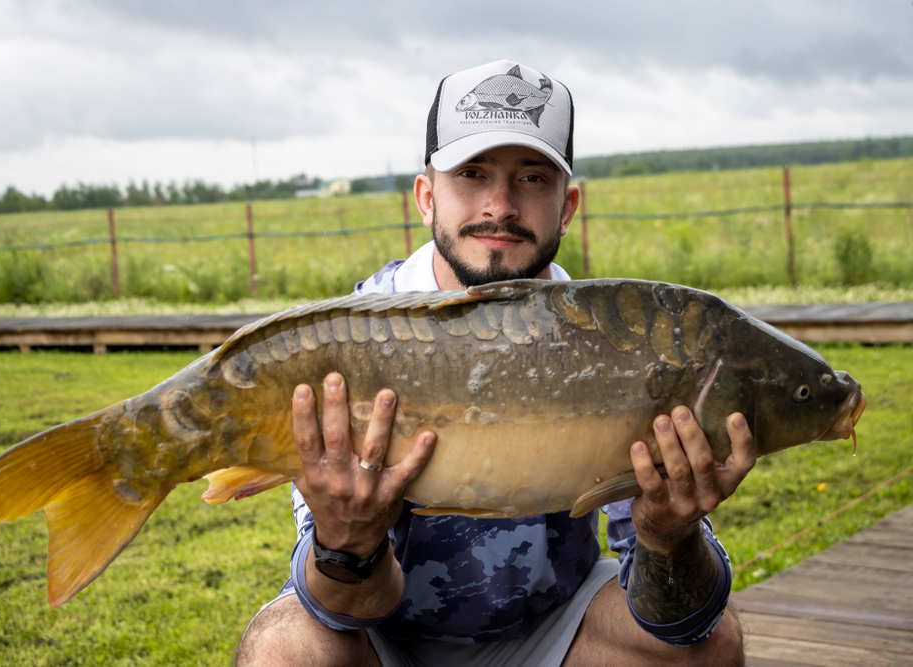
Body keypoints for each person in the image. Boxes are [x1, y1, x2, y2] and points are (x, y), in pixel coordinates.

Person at [237, 60, 753, 667]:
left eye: (532, 177)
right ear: (427, 196)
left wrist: (670, 537)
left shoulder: (621, 341)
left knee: (711, 645)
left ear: (568, 205)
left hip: (555, 623)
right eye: (472, 174)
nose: (500, 205)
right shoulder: (344, 343)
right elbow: (342, 608)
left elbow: (682, 619)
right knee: (285, 648)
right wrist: (347, 541)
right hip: (382, 634)